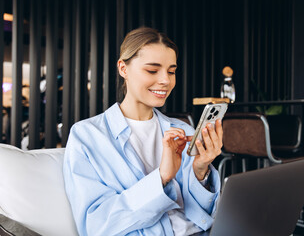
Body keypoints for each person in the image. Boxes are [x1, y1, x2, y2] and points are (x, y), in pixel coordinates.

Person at [63, 27, 223, 236]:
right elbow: (96, 225)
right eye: (152, 70)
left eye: (171, 71)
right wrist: (162, 178)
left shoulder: (182, 130)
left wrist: (200, 171)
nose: (166, 80)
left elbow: (202, 215)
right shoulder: (87, 136)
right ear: (123, 69)